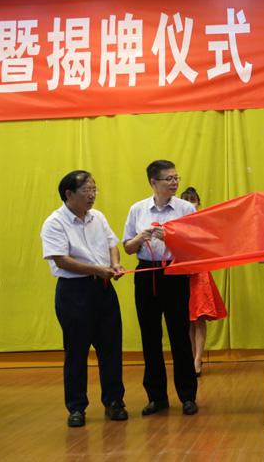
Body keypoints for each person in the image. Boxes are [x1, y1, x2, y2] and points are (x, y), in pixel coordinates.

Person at [40, 170, 128, 428]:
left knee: (111, 348)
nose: (92, 195)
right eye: (87, 190)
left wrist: (115, 264)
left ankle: (114, 401)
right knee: (76, 351)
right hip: (74, 292)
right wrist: (97, 269)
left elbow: (112, 244)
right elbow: (62, 260)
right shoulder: (54, 222)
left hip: (103, 289)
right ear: (69, 194)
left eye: (94, 189)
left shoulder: (98, 217)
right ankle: (76, 407)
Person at [122, 160, 198, 417]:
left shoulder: (186, 208)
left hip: (175, 274)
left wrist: (172, 237)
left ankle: (188, 396)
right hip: (146, 274)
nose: (174, 183)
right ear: (153, 182)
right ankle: (156, 397)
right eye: (169, 179)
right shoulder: (138, 209)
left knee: (180, 336)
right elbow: (128, 248)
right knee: (150, 337)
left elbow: (195, 244)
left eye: (176, 178)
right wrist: (139, 238)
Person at [180, 186, 228, 376]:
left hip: (199, 274)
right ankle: (192, 357)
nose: (190, 204)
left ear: (198, 204)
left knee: (199, 318)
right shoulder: (175, 225)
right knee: (187, 320)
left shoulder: (203, 225)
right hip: (182, 274)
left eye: (193, 200)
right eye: (186, 200)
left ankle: (198, 359)